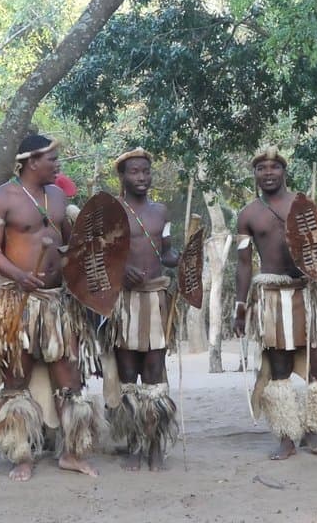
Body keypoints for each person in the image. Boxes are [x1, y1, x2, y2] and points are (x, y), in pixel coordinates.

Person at [0, 133, 100, 481]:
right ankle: (22, 455)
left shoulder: (57, 196)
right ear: (30, 162)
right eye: (52, 159)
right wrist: (18, 275)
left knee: (70, 379)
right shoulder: (1, 198)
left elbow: (70, 242)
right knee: (16, 379)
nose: (58, 165)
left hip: (57, 302)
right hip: (18, 301)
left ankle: (72, 453)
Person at [233, 146, 317, 460]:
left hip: (305, 293)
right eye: (261, 168)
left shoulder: (304, 206)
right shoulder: (248, 214)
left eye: (274, 167)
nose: (268, 173)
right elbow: (243, 264)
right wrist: (240, 306)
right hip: (272, 297)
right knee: (279, 367)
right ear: (254, 174)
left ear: (284, 171)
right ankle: (287, 437)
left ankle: (314, 429)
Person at [103, 147, 181, 471]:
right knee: (128, 374)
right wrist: (121, 271)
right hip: (125, 302)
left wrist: (184, 258)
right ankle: (134, 444)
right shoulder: (111, 212)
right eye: (134, 172)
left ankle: (155, 444)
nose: (142, 177)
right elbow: (98, 258)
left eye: (146, 171)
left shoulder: (160, 212)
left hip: (155, 298)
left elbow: (166, 252)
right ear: (122, 176)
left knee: (154, 373)